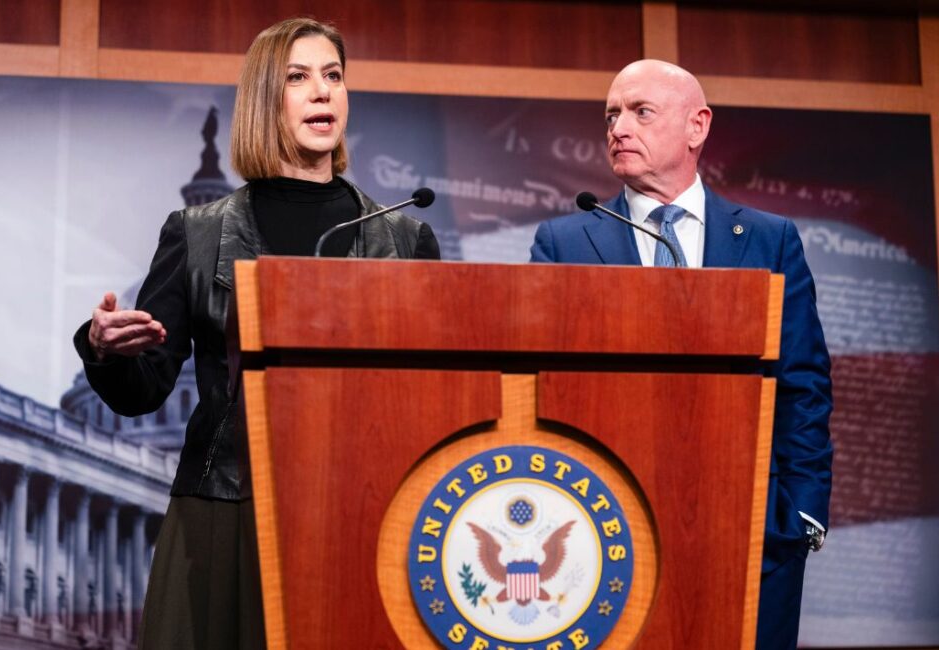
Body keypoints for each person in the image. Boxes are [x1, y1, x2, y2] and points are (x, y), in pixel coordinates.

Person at [73, 17, 439, 649]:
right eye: (298, 78)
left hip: (368, 513)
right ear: (266, 100)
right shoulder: (197, 232)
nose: (323, 92)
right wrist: (102, 348)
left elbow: (436, 393)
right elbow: (144, 390)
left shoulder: (405, 238)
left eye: (333, 76)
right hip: (225, 510)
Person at [530, 59, 832, 649]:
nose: (618, 127)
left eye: (641, 112)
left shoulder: (770, 239)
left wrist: (803, 513)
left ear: (697, 126)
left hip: (751, 526)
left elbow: (804, 383)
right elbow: (545, 384)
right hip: (605, 524)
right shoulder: (565, 242)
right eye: (611, 114)